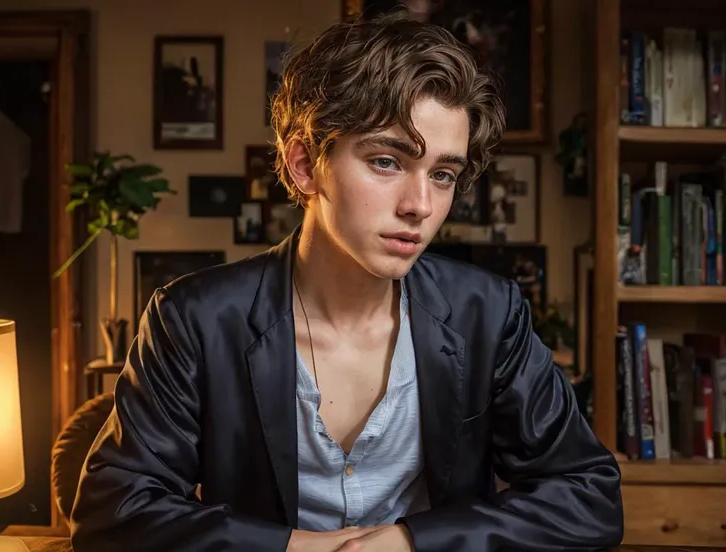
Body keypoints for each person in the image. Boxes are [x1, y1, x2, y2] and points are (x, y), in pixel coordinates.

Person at [70, 12, 623, 552]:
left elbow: (589, 496)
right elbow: (112, 512)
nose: (420, 206)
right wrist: (294, 546)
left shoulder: (488, 311)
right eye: (386, 161)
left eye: (443, 175)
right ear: (306, 165)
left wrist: (410, 540)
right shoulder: (193, 317)